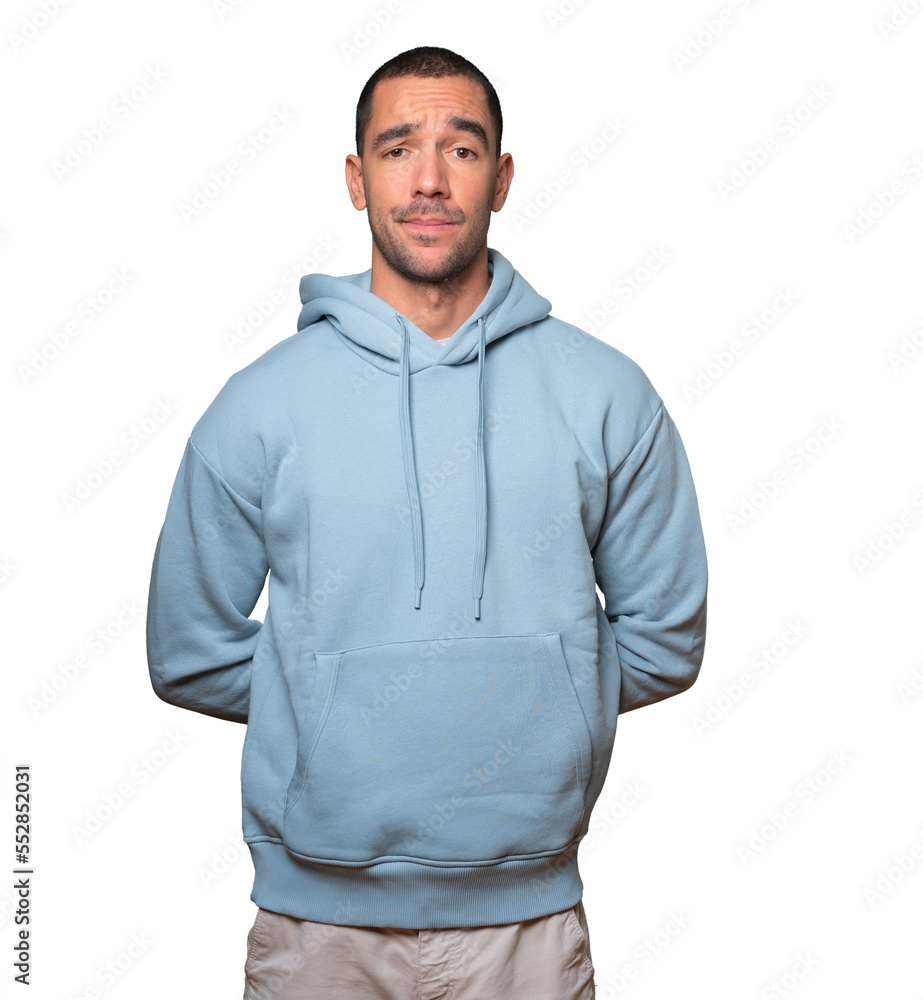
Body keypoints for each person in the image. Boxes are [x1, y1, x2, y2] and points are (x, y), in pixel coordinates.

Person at [145, 44, 708, 1000]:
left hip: (527, 931)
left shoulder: (606, 394)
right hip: (317, 931)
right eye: (399, 148)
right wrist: (331, 711)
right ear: (356, 179)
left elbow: (665, 638)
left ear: (503, 177)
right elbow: (187, 650)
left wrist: (538, 702)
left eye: (463, 148)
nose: (431, 180)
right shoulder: (261, 405)